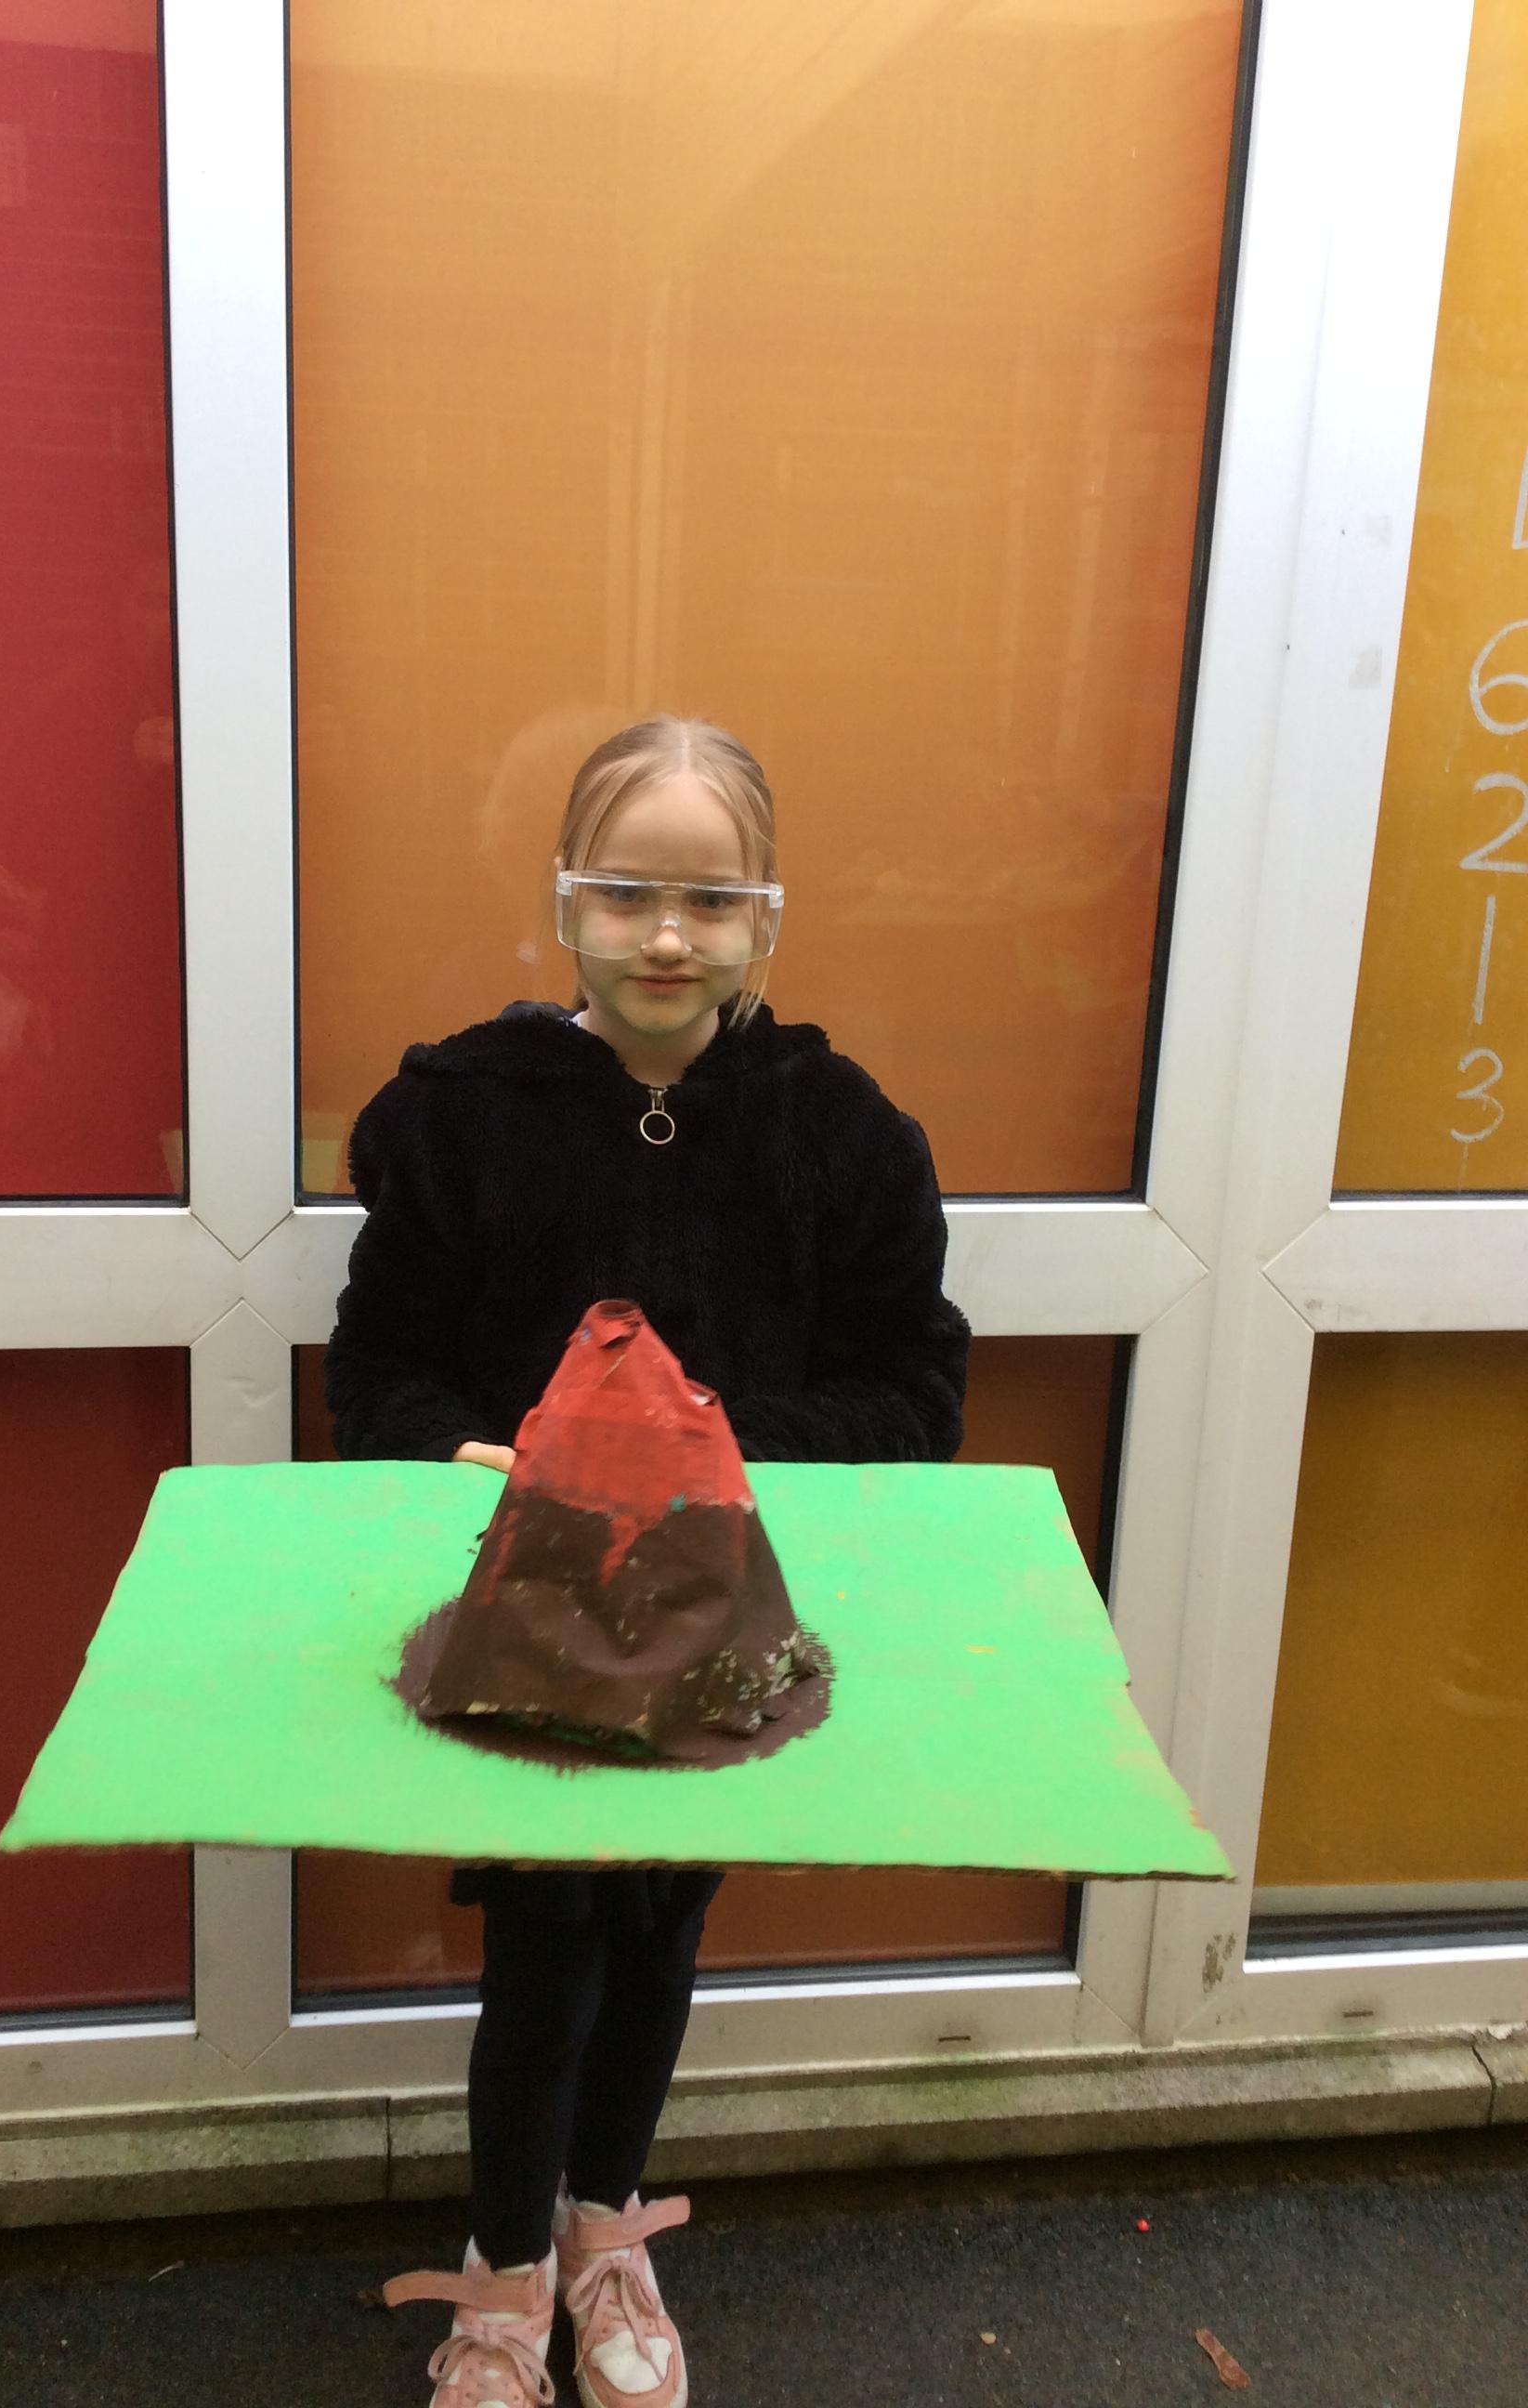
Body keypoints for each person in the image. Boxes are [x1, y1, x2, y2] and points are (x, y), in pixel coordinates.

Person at [325, 715, 971, 2408]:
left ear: (769, 914)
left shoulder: (841, 1135)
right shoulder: (464, 1118)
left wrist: (724, 1456)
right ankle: (507, 2271)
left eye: (710, 899)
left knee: (665, 1930)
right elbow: (381, 1370)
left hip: (718, 1627)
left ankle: (607, 2226)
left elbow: (915, 1387)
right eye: (626, 894)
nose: (668, 937)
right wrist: (456, 1453)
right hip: (527, 1621)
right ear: (565, 901)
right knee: (544, 1948)